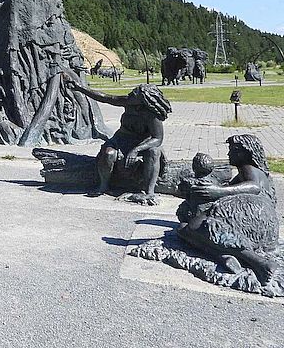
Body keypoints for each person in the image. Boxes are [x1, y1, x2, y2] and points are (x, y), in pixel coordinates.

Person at [178, 134, 279, 285]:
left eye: (232, 150)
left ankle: (258, 262)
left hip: (253, 209)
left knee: (188, 229)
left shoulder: (247, 168)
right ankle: (223, 256)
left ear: (244, 153)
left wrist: (218, 191)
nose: (228, 153)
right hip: (265, 224)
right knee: (187, 229)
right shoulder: (258, 172)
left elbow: (254, 186)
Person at [63, 71, 172, 205]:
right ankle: (103, 185)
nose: (131, 93)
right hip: (121, 140)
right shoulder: (128, 102)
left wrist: (136, 150)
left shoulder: (152, 115)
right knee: (108, 153)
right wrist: (80, 88)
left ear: (144, 100)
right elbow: (105, 97)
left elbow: (157, 139)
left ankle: (149, 191)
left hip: (142, 143)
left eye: (135, 93)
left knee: (154, 152)